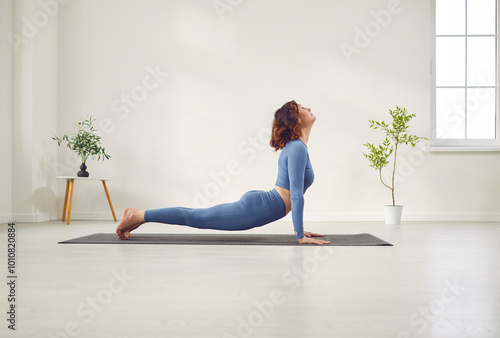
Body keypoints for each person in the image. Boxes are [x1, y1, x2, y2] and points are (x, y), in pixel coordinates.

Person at [116, 100, 330, 245]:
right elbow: (295, 194)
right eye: (303, 107)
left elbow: (294, 193)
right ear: (297, 119)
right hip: (259, 209)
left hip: (263, 205)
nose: (309, 108)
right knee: (195, 217)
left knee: (196, 216)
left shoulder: (297, 147)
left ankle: (138, 214)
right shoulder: (297, 148)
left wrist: (299, 230)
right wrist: (300, 234)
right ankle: (138, 215)